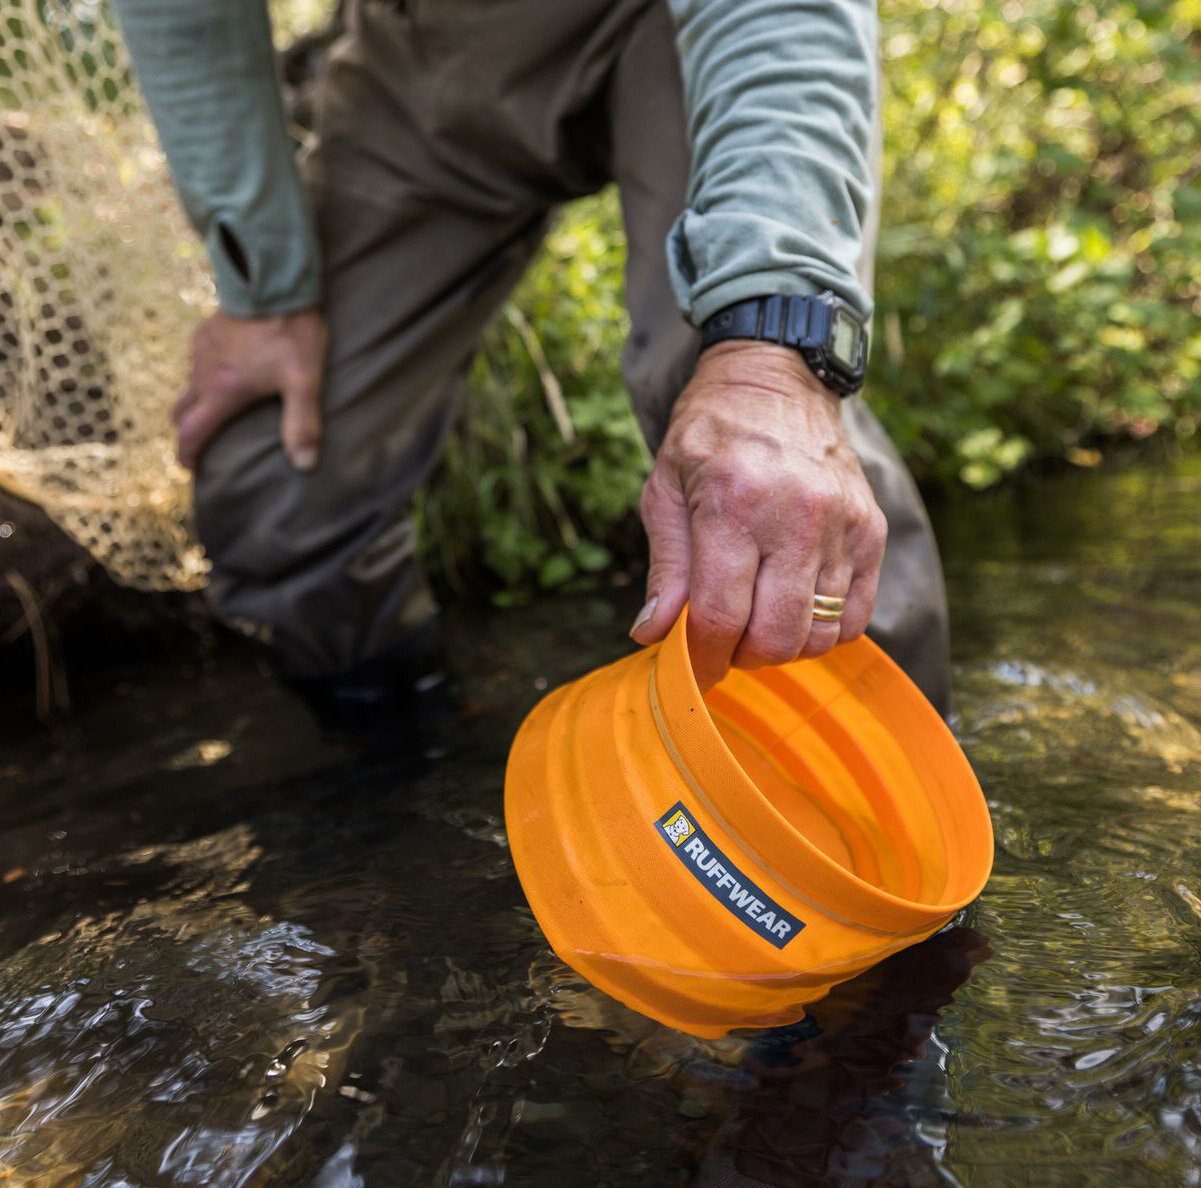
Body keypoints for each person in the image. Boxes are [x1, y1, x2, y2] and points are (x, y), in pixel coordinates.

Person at [112, 0, 950, 742]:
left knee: (760, 477)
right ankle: (399, 788)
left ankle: (901, 846)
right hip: (430, 49)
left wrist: (770, 353)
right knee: (275, 479)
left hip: (685, 30)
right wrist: (263, 289)